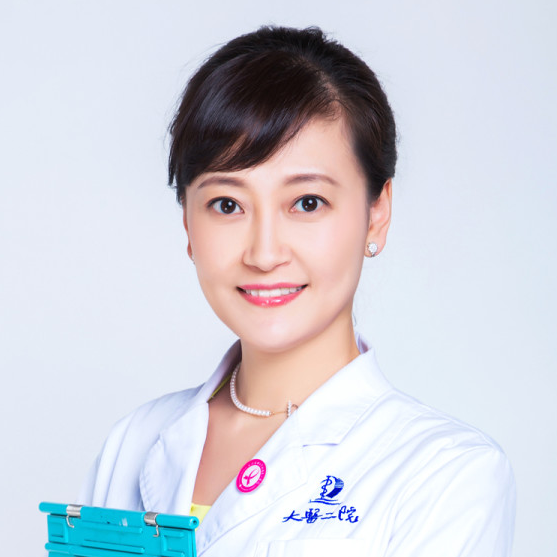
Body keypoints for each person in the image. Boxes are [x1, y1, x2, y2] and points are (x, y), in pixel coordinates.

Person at [79, 26, 516, 556]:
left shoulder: (447, 476)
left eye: (307, 203)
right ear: (188, 224)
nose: (264, 254)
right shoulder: (133, 443)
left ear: (377, 214)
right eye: (227, 205)